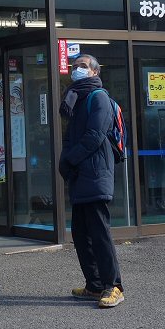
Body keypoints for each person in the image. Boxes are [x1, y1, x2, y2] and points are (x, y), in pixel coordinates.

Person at [58, 53, 125, 308]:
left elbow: (95, 135)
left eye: (83, 66)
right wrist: (66, 160)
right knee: (81, 233)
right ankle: (94, 285)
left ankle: (114, 286)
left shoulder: (99, 97)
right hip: (81, 174)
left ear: (95, 72)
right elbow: (70, 136)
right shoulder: (76, 98)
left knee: (99, 233)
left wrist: (70, 159)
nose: (77, 69)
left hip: (96, 173)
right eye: (75, 66)